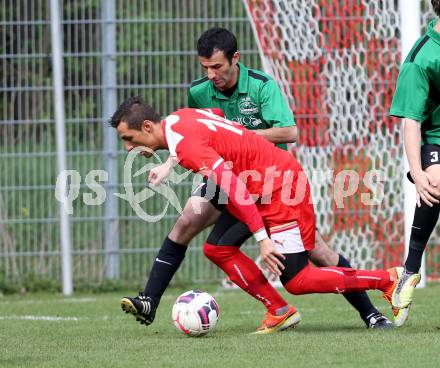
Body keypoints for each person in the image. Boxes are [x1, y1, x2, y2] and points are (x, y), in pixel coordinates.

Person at [126, 27, 392, 329]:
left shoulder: (262, 86)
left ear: (235, 59)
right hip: (225, 174)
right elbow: (192, 136)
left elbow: (289, 132)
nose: (212, 74)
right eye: (206, 68)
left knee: (317, 252)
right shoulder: (198, 91)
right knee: (188, 221)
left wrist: (239, 138)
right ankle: (149, 301)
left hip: (266, 178)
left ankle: (371, 312)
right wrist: (171, 161)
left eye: (218, 67)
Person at [111, 98, 413, 332]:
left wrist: (262, 239)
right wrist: (171, 163)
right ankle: (279, 311)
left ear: (148, 126)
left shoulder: (186, 146)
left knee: (298, 279)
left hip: (280, 188)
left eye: (130, 138)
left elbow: (233, 188)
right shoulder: (179, 118)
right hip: (260, 186)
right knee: (218, 248)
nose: (128, 148)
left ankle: (387, 279)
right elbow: (215, 119)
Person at [389, 0, 440, 326]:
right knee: (436, 183)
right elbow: (411, 121)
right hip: (437, 139)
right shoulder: (422, 57)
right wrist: (418, 173)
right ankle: (410, 271)